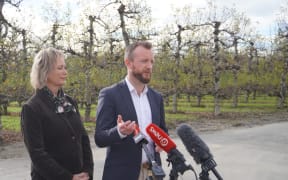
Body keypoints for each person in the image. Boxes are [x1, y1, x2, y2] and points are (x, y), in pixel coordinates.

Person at [94, 41, 168, 180]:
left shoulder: (156, 97)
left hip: (153, 174)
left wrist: (161, 141)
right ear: (128, 63)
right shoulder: (110, 95)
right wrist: (119, 132)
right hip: (121, 175)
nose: (149, 66)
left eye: (152, 61)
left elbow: (163, 131)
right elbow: (99, 138)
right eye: (144, 61)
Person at [21, 47, 94, 180]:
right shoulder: (32, 108)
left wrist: (88, 171)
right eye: (60, 68)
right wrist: (68, 177)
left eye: (65, 67)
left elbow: (83, 139)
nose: (65, 72)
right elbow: (37, 154)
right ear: (45, 71)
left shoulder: (70, 102)